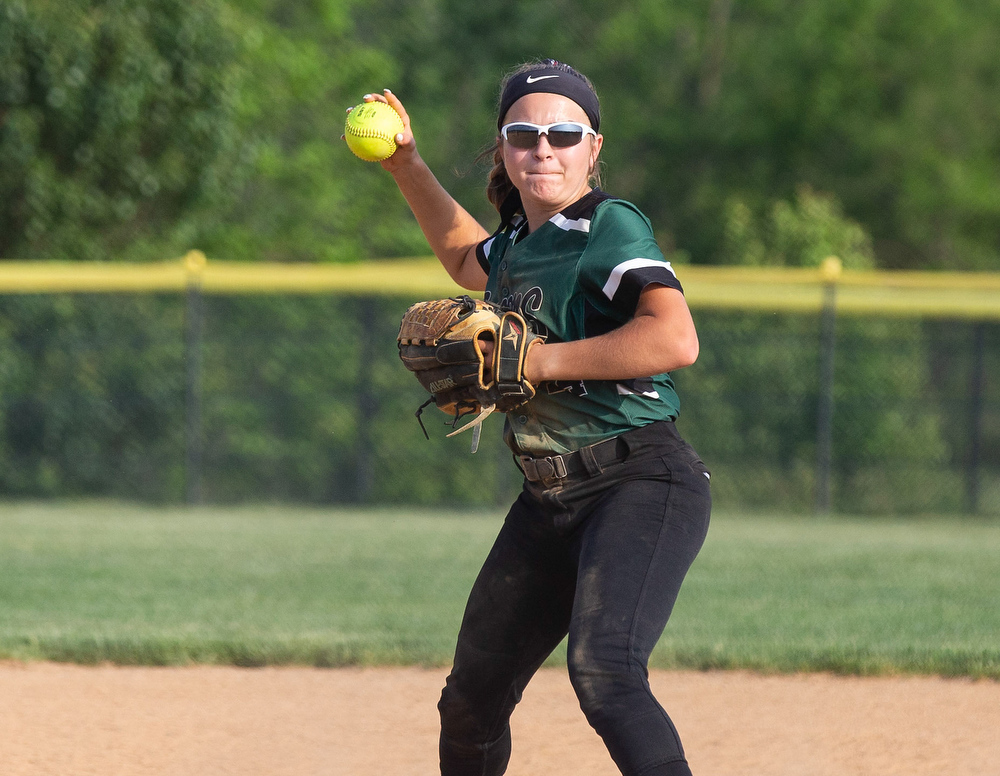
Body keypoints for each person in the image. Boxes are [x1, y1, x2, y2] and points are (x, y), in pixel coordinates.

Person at [351, 59, 711, 776]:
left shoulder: (604, 227)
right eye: (524, 134)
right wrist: (406, 166)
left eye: (563, 133)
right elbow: (463, 256)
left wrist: (539, 361)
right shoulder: (520, 242)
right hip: (549, 498)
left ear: (593, 147)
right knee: (472, 700)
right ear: (503, 150)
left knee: (606, 674)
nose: (543, 148)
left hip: (639, 480)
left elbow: (675, 338)